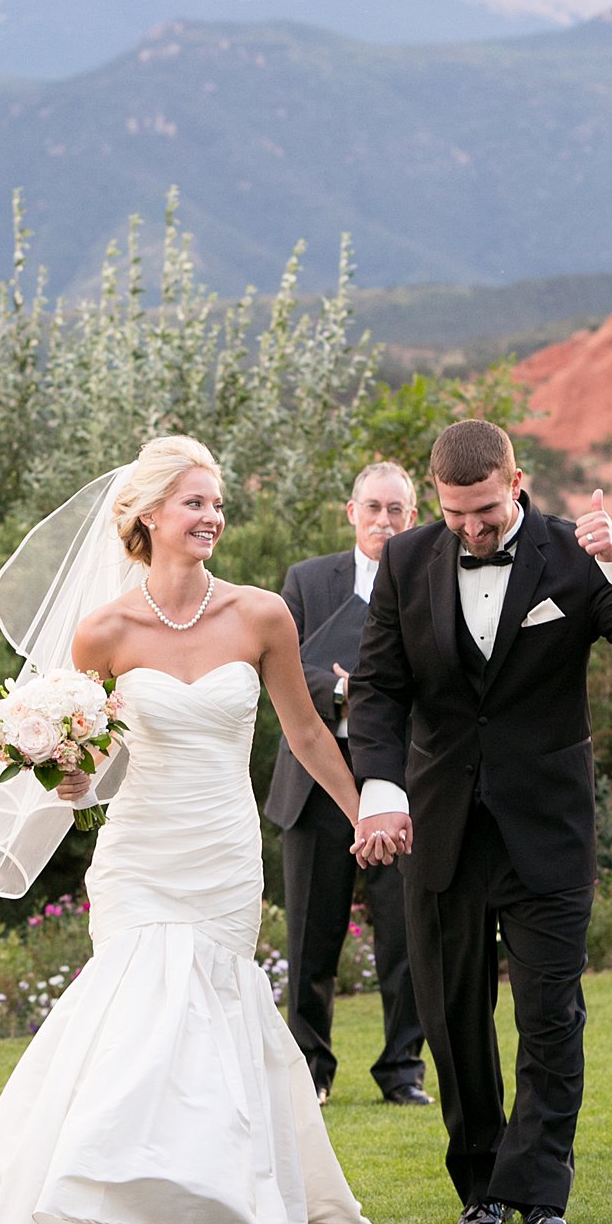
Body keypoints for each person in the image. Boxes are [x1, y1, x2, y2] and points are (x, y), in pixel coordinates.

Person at [0, 436, 395, 1224]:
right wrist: (70, 779)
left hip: (223, 850)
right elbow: (84, 760)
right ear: (148, 513)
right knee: (150, 1021)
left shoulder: (261, 614)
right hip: (140, 850)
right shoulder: (103, 631)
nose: (212, 517)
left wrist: (362, 813)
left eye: (218, 502)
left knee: (205, 1019)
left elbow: (305, 734)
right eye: (195, 502)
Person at [350, 419, 612, 1224]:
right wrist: (381, 794)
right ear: (437, 497)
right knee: (453, 1017)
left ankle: (542, 1199)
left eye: (488, 511)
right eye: (457, 514)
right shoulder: (404, 562)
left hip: (546, 829)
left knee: (549, 1014)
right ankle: (480, 1185)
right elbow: (381, 691)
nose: (473, 528)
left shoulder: (575, 553)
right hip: (441, 829)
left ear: (518, 481)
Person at [266, 460, 427, 1107]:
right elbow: (282, 670)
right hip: (311, 786)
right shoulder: (306, 582)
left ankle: (402, 1071)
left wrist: (373, 690)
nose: (383, 521)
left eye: (396, 510)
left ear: (413, 517)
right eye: (372, 508)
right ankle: (310, 1070)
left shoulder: (430, 581)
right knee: (310, 935)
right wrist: (341, 688)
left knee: (406, 934)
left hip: (398, 783)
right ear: (350, 511)